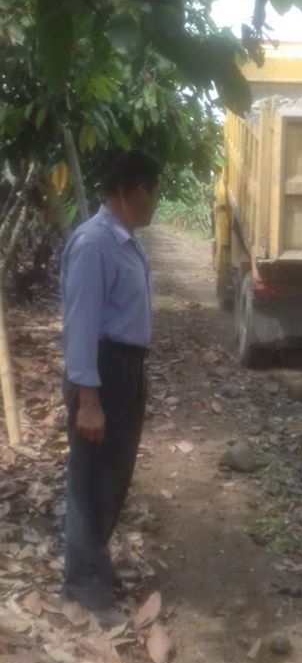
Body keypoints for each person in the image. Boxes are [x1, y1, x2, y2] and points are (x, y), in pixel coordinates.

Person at [61, 150, 161, 624]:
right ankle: (83, 591)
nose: (156, 202)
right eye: (155, 193)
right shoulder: (94, 243)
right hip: (102, 371)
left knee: (113, 478)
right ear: (137, 190)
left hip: (126, 370)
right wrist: (88, 400)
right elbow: (80, 325)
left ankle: (95, 568)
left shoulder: (126, 242)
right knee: (91, 481)